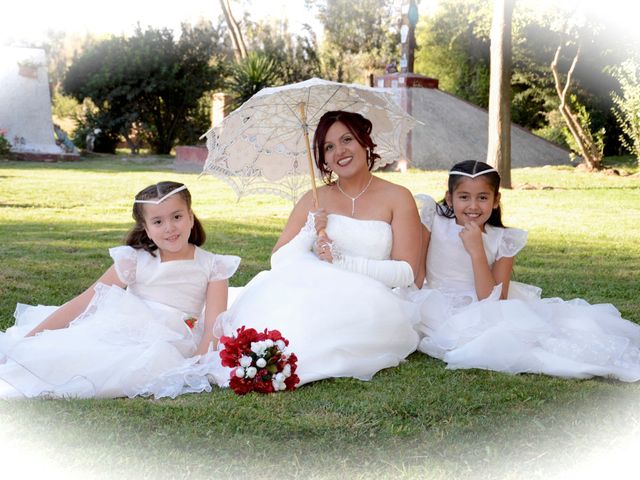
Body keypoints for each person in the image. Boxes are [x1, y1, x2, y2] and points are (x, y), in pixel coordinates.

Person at [215, 110, 423, 386]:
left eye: (347, 139)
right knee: (290, 326)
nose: (340, 151)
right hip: (311, 290)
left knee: (319, 340)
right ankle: (265, 361)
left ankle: (277, 363)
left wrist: (342, 261)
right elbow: (279, 260)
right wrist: (309, 231)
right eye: (329, 147)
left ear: (364, 142)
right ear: (323, 158)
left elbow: (406, 272)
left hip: (370, 300)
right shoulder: (315, 198)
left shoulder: (398, 197)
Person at [0, 181, 240, 399]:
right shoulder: (135, 260)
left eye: (176, 216)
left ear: (190, 216)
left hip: (171, 341)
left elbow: (213, 325)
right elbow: (86, 300)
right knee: (76, 355)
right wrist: (29, 338)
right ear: (146, 228)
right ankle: (28, 360)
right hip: (123, 329)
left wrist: (196, 364)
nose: (169, 227)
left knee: (133, 369)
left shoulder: (213, 265)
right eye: (158, 221)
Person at [406, 160, 640, 381]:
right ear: (449, 198)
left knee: (511, 341)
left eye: (483, 197)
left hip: (481, 308)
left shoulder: (503, 240)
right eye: (464, 197)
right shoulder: (433, 220)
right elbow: (418, 269)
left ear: (496, 200)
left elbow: (492, 300)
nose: (473, 206)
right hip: (434, 301)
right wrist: (408, 300)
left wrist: (477, 251)